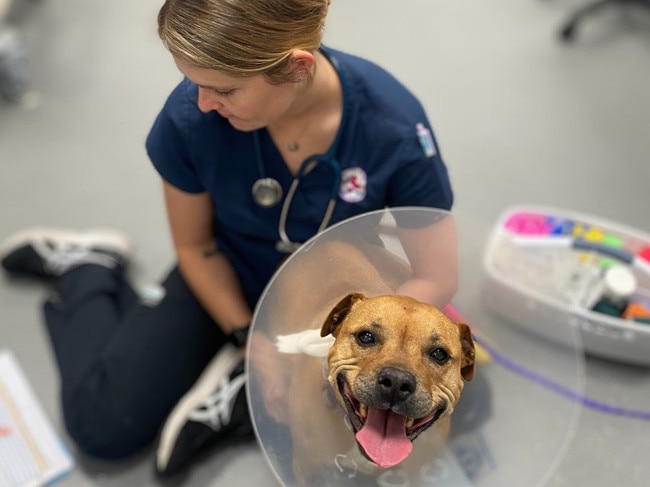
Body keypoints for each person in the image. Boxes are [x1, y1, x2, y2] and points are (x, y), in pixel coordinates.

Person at [0, 0, 455, 478]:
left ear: (297, 67)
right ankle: (87, 268)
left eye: (223, 89)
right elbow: (196, 247)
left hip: (339, 301)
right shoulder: (190, 120)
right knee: (103, 428)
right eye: (195, 83)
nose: (201, 102)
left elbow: (436, 275)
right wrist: (250, 338)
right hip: (230, 270)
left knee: (449, 395)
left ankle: (239, 393)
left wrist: (364, 349)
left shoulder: (395, 129)